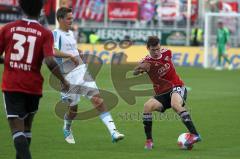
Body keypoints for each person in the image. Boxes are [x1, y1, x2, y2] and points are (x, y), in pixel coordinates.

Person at [0, 0, 69, 159]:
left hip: (12, 85)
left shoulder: (8, 28)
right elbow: (50, 61)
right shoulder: (45, 33)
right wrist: (64, 81)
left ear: (21, 7)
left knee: (17, 130)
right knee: (27, 128)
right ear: (41, 10)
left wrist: (8, 60)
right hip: (33, 86)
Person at [53, 7, 124, 144]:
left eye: (72, 18)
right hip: (68, 77)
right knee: (73, 110)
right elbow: (54, 51)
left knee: (98, 100)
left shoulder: (70, 33)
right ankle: (67, 127)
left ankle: (114, 132)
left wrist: (78, 52)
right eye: (68, 18)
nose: (71, 20)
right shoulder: (56, 34)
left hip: (82, 71)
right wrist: (69, 55)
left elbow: (71, 49)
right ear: (60, 19)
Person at [133, 36, 201, 150]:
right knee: (147, 106)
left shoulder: (167, 53)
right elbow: (135, 71)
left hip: (176, 87)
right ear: (147, 48)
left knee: (175, 105)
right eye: (153, 50)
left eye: (158, 49)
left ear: (160, 46)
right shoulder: (146, 62)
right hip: (161, 94)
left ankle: (195, 134)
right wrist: (139, 69)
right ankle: (149, 141)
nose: (156, 52)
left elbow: (161, 61)